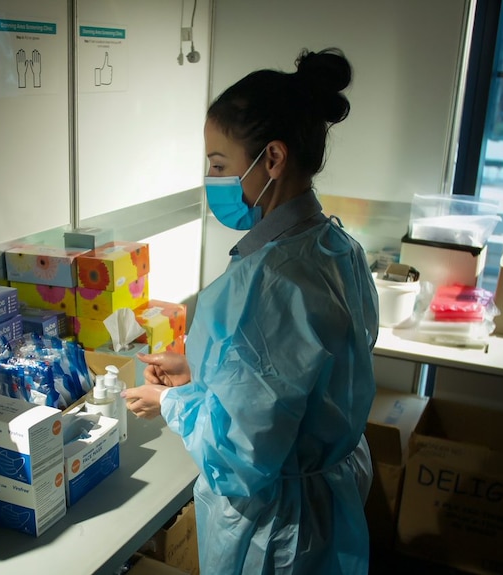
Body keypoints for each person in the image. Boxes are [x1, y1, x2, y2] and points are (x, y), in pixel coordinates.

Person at [121, 48, 379, 574]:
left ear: (273, 159)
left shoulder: (270, 282)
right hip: (328, 498)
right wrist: (202, 369)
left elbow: (239, 457)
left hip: (279, 529)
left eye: (219, 165)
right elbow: (303, 377)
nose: (212, 179)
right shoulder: (334, 247)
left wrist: (171, 403)